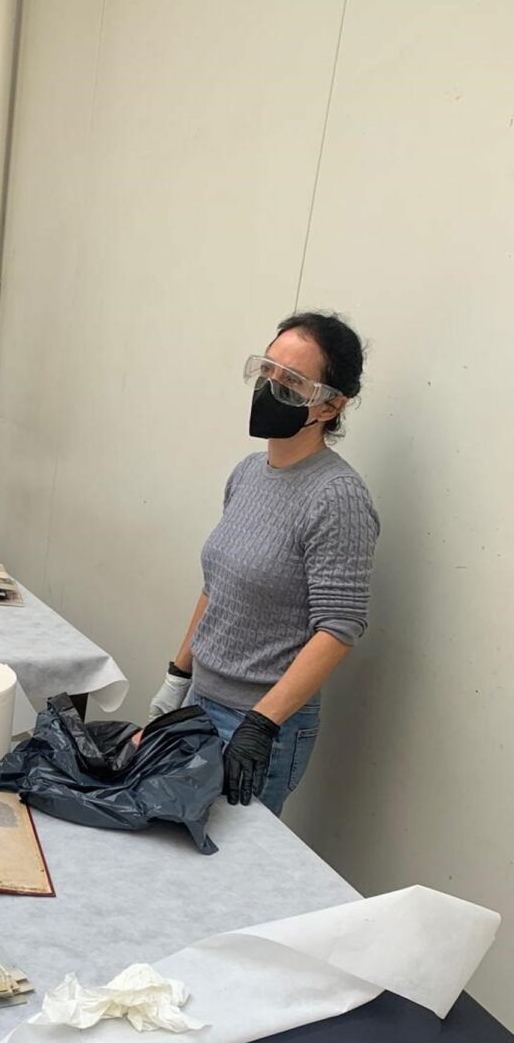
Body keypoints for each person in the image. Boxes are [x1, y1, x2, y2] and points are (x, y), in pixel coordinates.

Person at [145, 311, 380, 815]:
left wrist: (262, 723)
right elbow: (217, 588)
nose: (271, 387)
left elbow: (338, 629)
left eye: (291, 381)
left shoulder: (337, 497)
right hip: (201, 703)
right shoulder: (249, 473)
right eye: (267, 369)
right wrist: (178, 677)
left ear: (330, 405)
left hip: (259, 727)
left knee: (233, 861)